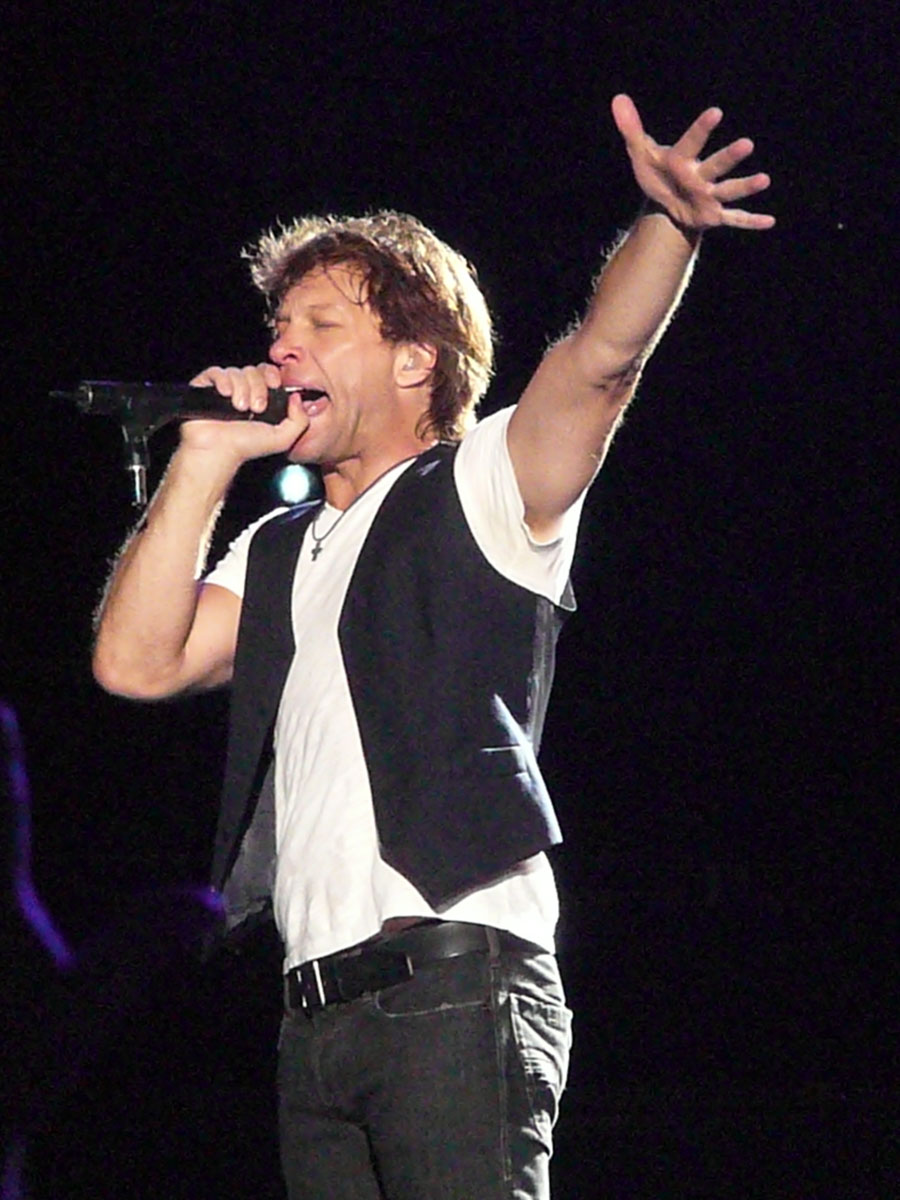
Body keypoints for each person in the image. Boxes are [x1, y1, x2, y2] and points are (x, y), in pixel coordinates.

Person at [92, 94, 774, 1199]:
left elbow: (599, 362)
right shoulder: (278, 548)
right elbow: (135, 663)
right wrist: (204, 459)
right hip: (313, 1017)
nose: (282, 347)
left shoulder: (482, 485)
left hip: (456, 984)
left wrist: (670, 223)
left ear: (415, 361)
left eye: (322, 325)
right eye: (280, 326)